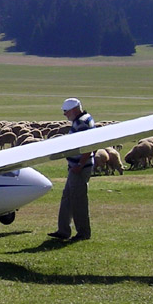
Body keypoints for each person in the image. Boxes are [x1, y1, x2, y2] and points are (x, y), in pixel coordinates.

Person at [48, 97, 95, 242]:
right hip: (75, 166)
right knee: (67, 197)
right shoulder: (83, 120)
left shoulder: (81, 122)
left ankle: (83, 232)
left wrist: (80, 164)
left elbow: (89, 145)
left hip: (80, 167)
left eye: (66, 111)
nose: (65, 115)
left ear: (74, 110)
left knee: (78, 199)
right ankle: (63, 230)